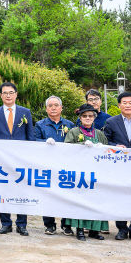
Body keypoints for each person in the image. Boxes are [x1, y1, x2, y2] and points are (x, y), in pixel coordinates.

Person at [0, 82, 34, 236]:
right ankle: (5, 223)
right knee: (4, 191)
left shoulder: (25, 112)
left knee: (22, 191)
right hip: (1, 161)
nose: (8, 95)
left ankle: (22, 224)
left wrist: (28, 158)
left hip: (21, 160)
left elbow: (30, 137)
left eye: (11, 92)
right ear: (0, 95)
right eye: (5, 93)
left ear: (16, 94)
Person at [103, 91, 131, 241]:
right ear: (119, 105)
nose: (128, 105)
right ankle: (121, 228)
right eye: (124, 102)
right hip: (118, 166)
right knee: (120, 197)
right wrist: (115, 146)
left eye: (130, 103)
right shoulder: (111, 122)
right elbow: (105, 141)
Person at [64, 104, 109, 241]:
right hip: (80, 173)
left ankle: (95, 230)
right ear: (80, 118)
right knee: (80, 201)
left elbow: (107, 152)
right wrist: (82, 145)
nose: (88, 118)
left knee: (96, 200)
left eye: (90, 116)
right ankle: (79, 230)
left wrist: (103, 148)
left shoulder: (100, 134)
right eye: (85, 116)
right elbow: (65, 149)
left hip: (96, 173)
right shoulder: (74, 132)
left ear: (94, 118)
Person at [33, 95, 74, 235]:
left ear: (61, 108)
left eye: (56, 105)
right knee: (48, 195)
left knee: (66, 195)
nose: (53, 108)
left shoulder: (69, 125)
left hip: (65, 166)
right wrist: (44, 142)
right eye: (50, 105)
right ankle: (49, 225)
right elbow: (34, 141)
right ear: (46, 109)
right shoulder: (40, 124)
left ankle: (66, 225)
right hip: (47, 165)